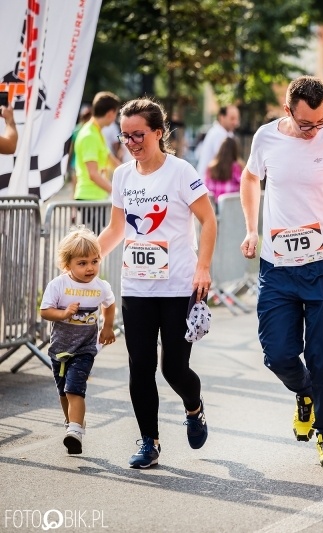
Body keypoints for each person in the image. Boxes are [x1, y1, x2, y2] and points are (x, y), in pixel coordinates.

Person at [239, 76, 323, 468]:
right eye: (305, 124)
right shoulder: (266, 138)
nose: (315, 130)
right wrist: (251, 229)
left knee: (321, 355)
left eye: (321, 121)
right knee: (278, 354)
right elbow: (250, 177)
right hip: (277, 266)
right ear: (287, 111)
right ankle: (304, 394)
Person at [97, 97, 217, 468]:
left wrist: (203, 267)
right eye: (125, 135)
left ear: (158, 133)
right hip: (137, 286)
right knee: (140, 366)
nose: (131, 142)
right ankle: (149, 441)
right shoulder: (122, 175)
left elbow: (208, 221)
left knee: (173, 369)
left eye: (139, 135)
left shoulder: (181, 171)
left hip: (178, 285)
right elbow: (117, 229)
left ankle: (194, 407)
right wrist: (85, 259)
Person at [39, 227, 116, 455]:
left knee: (74, 389)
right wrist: (63, 313)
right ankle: (72, 423)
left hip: (85, 348)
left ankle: (75, 431)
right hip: (60, 348)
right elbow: (45, 311)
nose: (90, 268)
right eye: (82, 263)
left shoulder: (100, 287)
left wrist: (108, 326)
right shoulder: (59, 285)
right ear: (67, 264)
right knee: (64, 392)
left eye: (94, 261)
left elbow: (110, 304)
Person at [74, 92, 121, 233]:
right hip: (89, 198)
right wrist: (117, 192)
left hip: (95, 197)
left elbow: (111, 161)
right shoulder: (90, 135)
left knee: (97, 241)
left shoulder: (96, 131)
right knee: (94, 242)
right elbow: (93, 174)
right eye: (116, 114)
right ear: (111, 113)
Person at [195, 104, 240, 181]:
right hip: (210, 183)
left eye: (237, 119)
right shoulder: (218, 134)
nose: (235, 123)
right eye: (232, 118)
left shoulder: (227, 133)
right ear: (222, 117)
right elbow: (225, 160)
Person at [205, 137, 243, 202]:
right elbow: (242, 187)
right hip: (230, 204)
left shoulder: (211, 167)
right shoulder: (236, 167)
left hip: (214, 204)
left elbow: (207, 188)